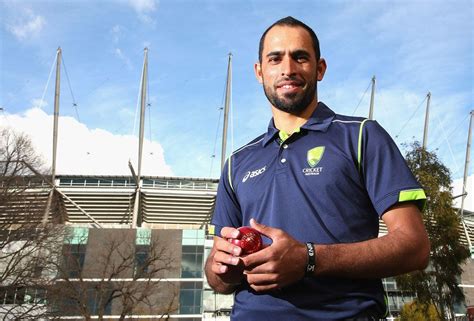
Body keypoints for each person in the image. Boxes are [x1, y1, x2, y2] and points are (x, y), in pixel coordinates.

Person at [204, 16, 430, 321]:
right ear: (259, 71)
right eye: (275, 58)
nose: (288, 68)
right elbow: (217, 279)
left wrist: (309, 258)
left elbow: (414, 246)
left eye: (300, 57)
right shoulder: (237, 163)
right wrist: (223, 268)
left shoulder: (362, 136)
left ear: (319, 68)